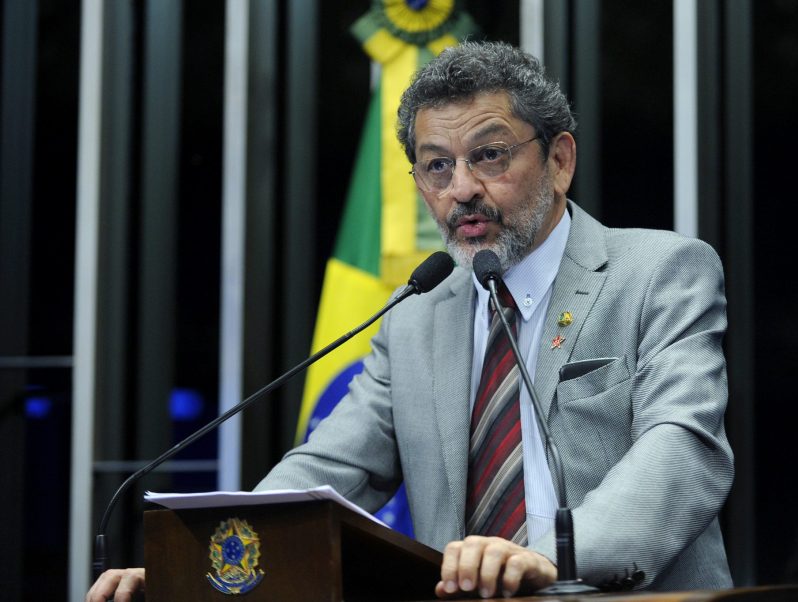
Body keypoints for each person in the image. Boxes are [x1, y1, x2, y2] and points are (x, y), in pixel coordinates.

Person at [88, 40, 733, 601]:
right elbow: (330, 473)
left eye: (489, 155)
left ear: (560, 160)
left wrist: (548, 558)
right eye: (438, 166)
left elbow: (684, 450)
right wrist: (198, 573)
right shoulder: (419, 313)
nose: (462, 189)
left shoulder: (658, 270)